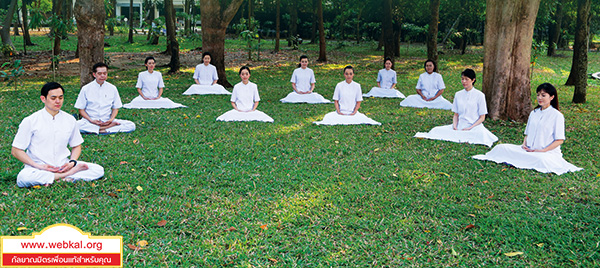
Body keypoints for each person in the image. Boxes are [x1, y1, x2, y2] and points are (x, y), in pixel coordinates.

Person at [473, 83, 582, 175]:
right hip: (527, 150)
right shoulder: (534, 113)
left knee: (541, 160)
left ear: (552, 97)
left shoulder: (557, 116)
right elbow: (527, 133)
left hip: (546, 153)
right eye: (538, 95)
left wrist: (542, 150)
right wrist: (524, 144)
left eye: (543, 95)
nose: (539, 98)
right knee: (501, 148)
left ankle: (531, 157)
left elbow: (559, 140)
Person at [11, 82, 105, 187]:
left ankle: (59, 178)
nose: (57, 101)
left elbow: (76, 145)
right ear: (43, 99)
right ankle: (68, 176)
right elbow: (16, 150)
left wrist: (72, 162)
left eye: (60, 98)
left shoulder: (70, 119)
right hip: (38, 168)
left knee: (98, 170)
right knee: (23, 178)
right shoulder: (30, 121)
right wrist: (37, 166)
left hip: (63, 165)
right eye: (53, 98)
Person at [414, 69, 498, 146]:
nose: (464, 81)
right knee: (435, 130)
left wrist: (470, 128)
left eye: (466, 79)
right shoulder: (458, 94)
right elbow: (456, 114)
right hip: (459, 125)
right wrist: (455, 126)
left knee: (481, 135)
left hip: (474, 127)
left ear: (473, 80)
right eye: (462, 79)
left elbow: (482, 117)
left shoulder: (479, 95)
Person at [75, 62, 136, 134]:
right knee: (75, 125)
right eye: (99, 74)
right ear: (94, 74)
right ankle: (106, 129)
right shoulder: (86, 88)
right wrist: (91, 120)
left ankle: (99, 130)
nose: (102, 76)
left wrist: (111, 120)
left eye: (105, 73)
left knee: (131, 125)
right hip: (90, 121)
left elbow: (115, 108)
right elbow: (81, 109)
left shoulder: (112, 88)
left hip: (107, 120)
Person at [314, 65, 380, 125]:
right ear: (344, 74)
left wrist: (354, 112)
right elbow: (336, 100)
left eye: (350, 74)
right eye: (347, 74)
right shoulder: (339, 85)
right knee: (328, 117)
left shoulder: (357, 86)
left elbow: (358, 101)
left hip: (352, 113)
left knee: (362, 118)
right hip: (341, 112)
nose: (349, 76)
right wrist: (338, 111)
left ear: (353, 74)